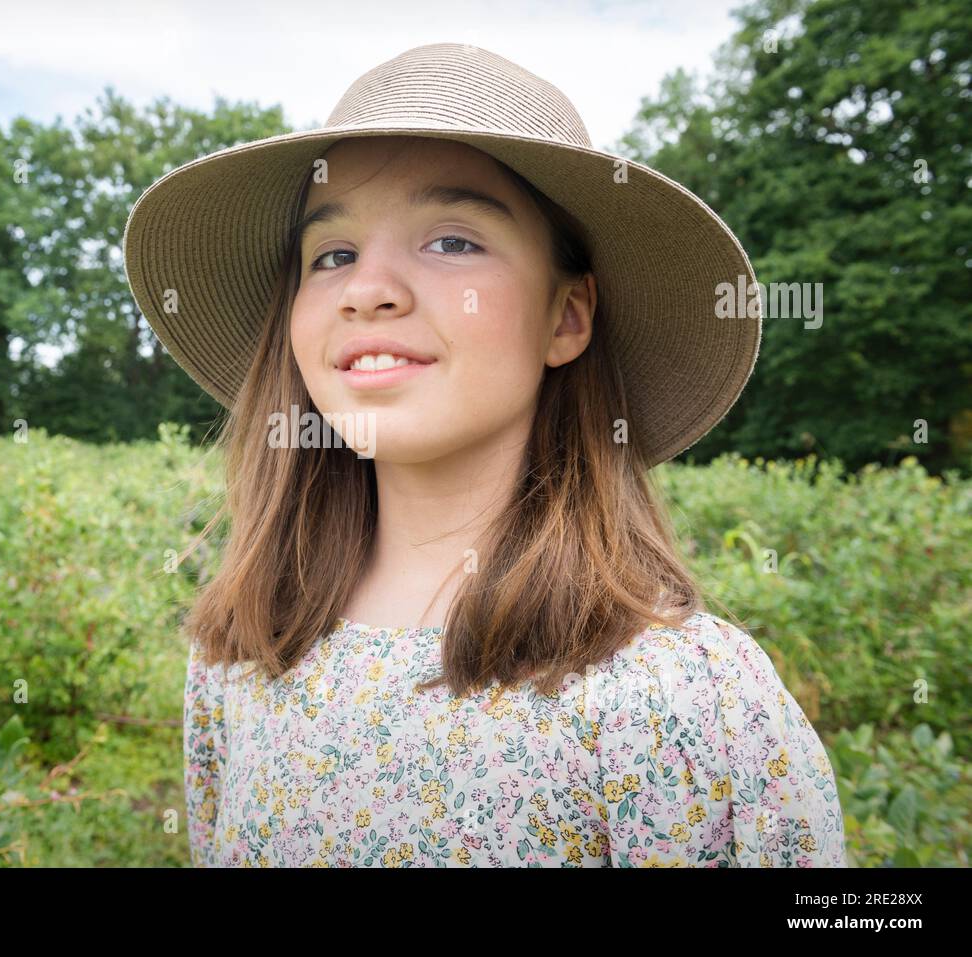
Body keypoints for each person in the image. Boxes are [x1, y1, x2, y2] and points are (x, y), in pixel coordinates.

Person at [123, 42, 848, 867]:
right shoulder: (241, 657)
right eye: (332, 255)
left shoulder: (682, 698)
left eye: (453, 242)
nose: (369, 288)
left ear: (566, 317)